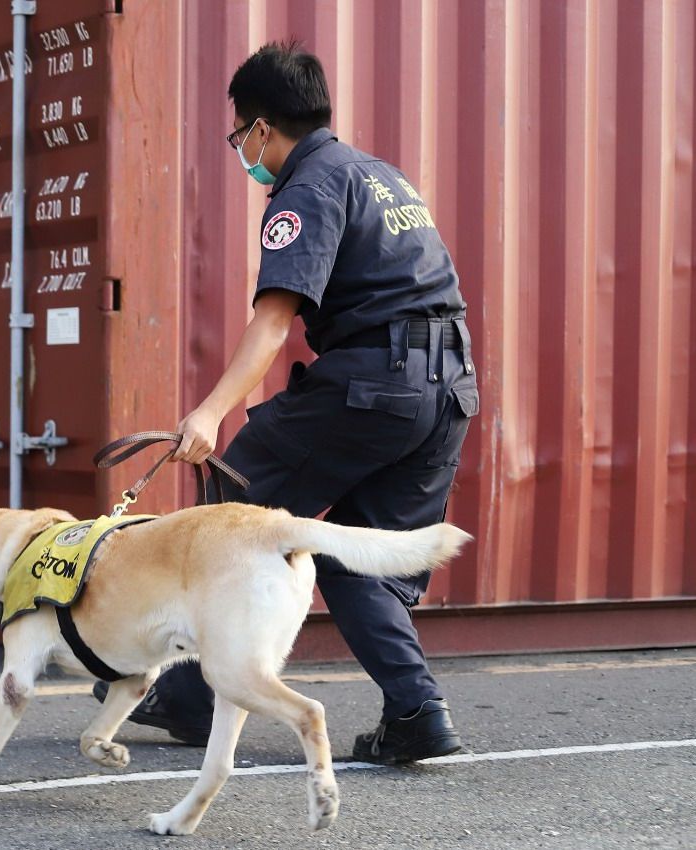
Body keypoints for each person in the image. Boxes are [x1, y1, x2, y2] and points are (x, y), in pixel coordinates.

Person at [94, 41, 479, 765]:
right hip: (448, 389)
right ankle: (419, 713)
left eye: (240, 136)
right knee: (363, 558)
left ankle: (186, 698)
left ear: (262, 128)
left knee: (230, 507)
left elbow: (273, 322)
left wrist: (210, 412)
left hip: (375, 383)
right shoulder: (383, 176)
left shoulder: (308, 187)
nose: (243, 150)